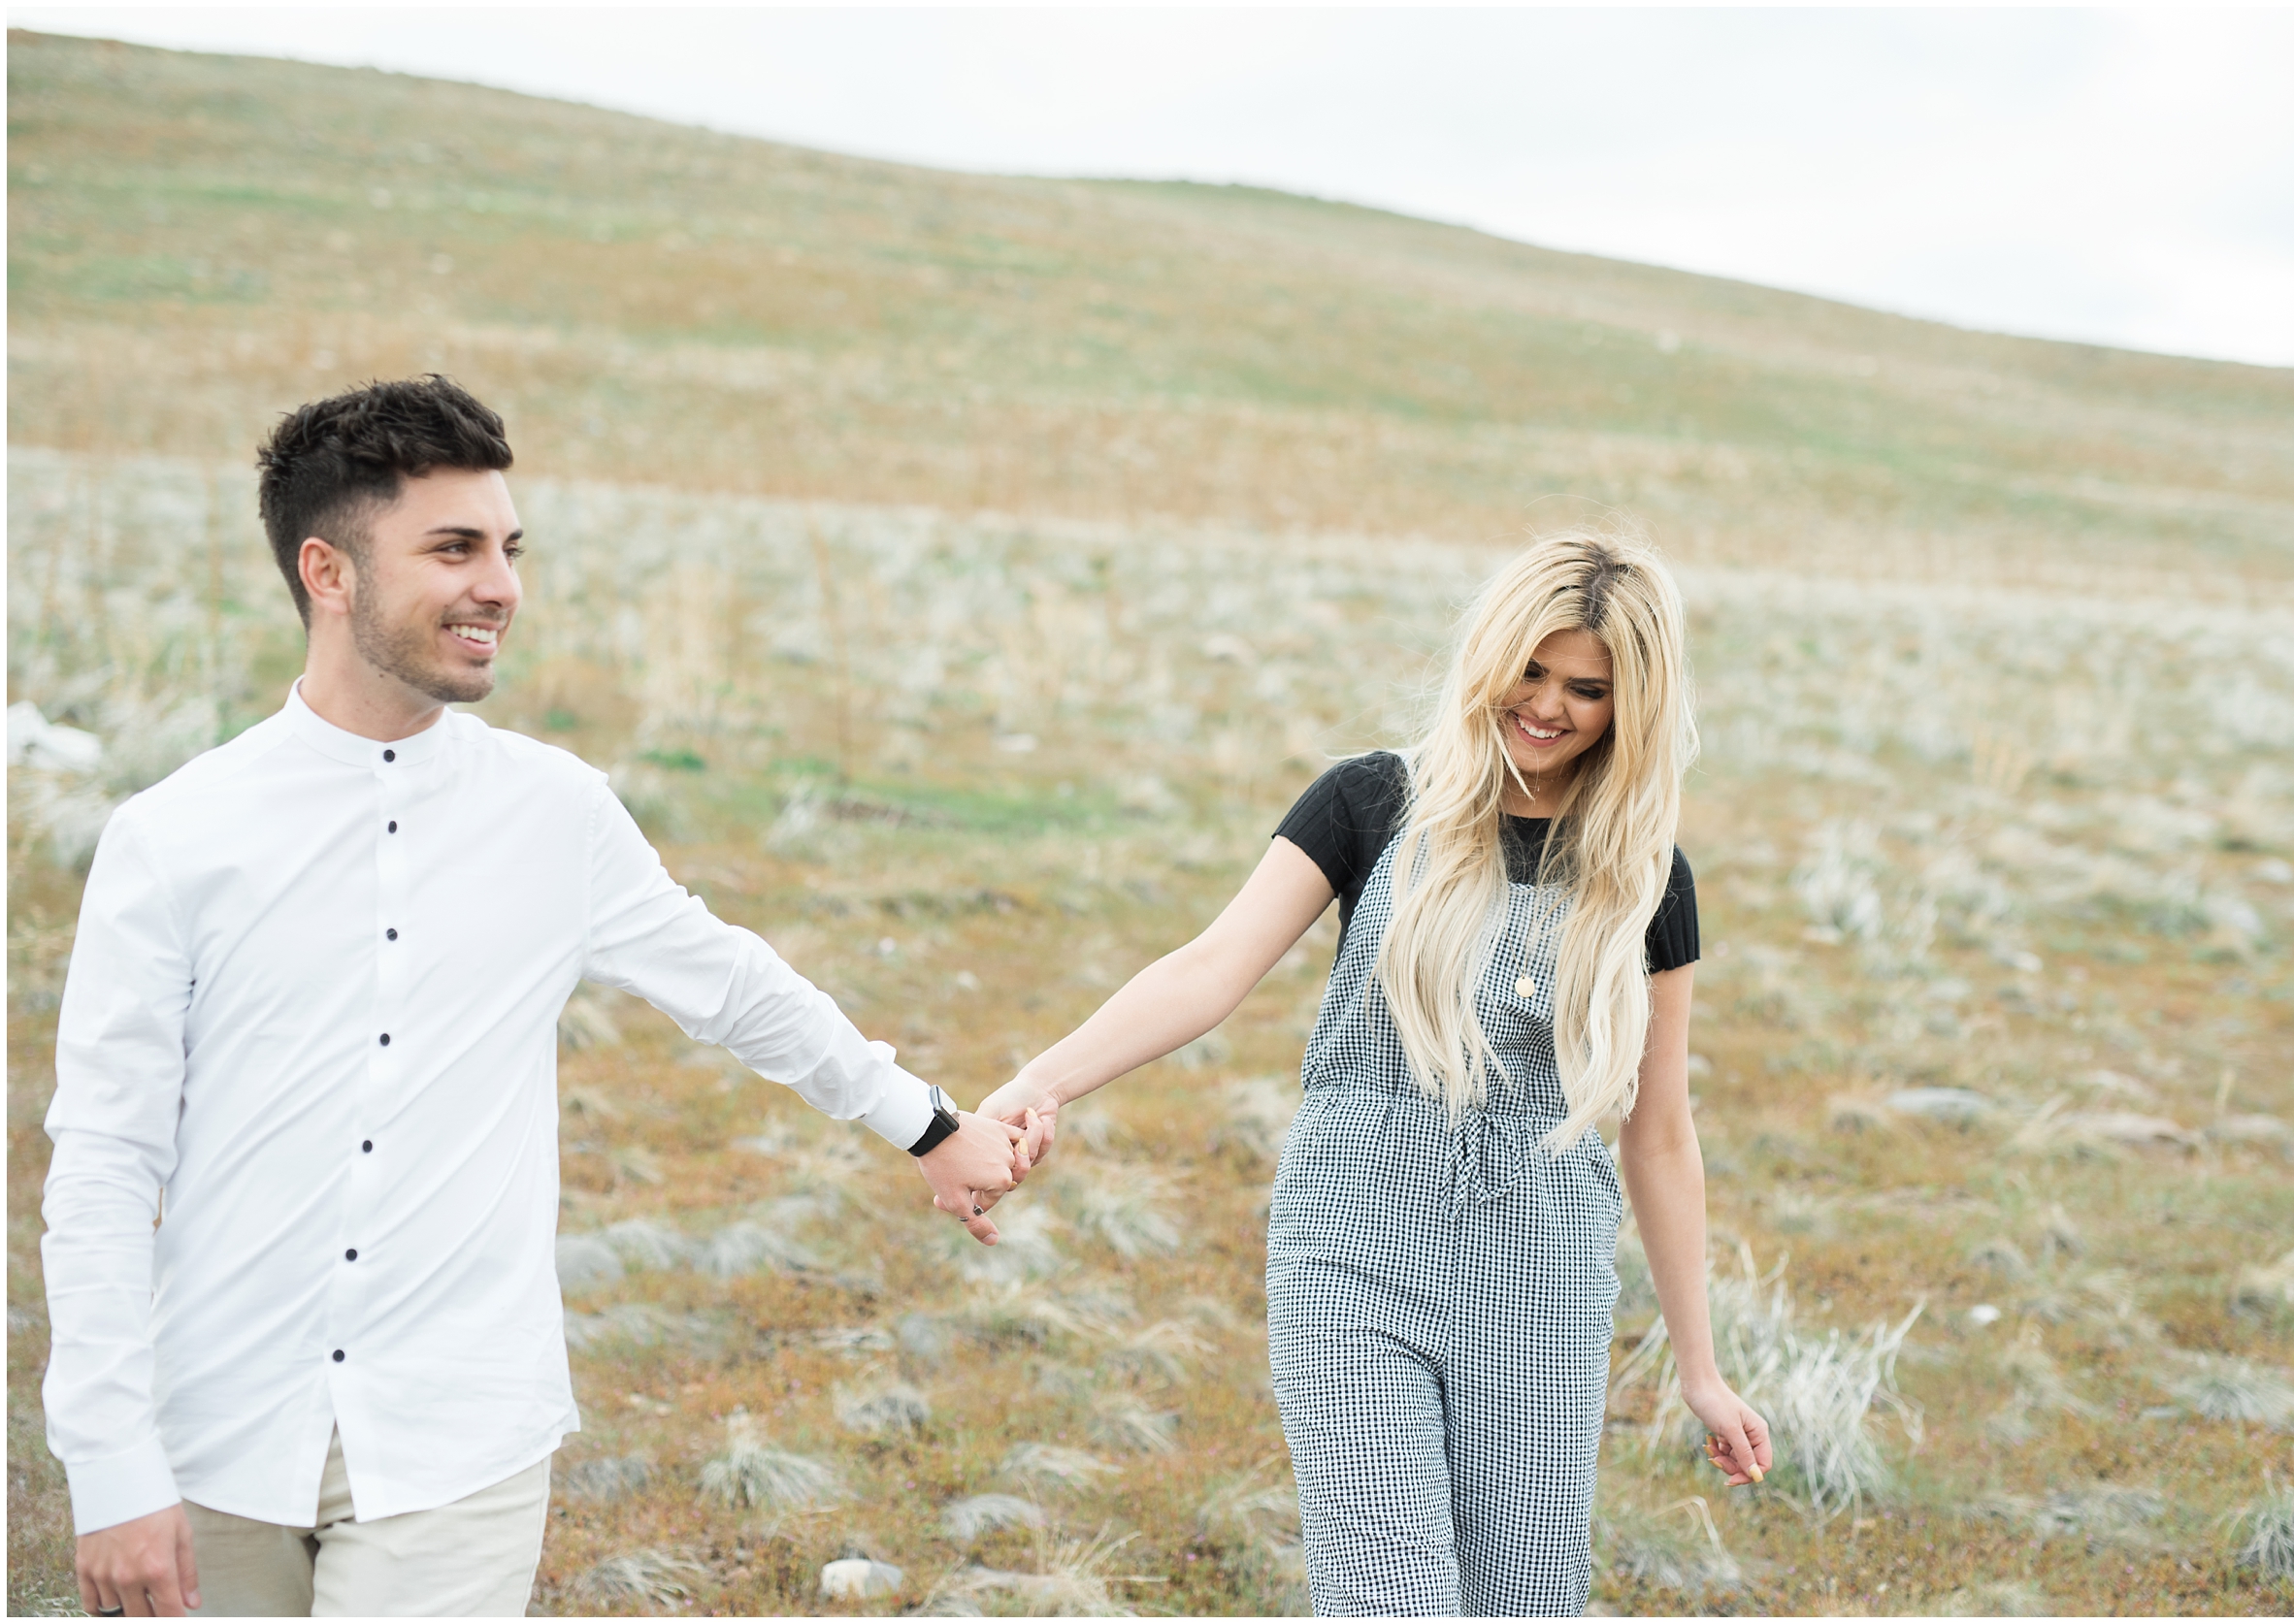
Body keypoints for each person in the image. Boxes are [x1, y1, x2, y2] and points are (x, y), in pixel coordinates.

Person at [41, 376, 1027, 1619]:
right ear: (327, 572)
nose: (499, 585)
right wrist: (113, 1462)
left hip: (458, 1442)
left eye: (508, 548)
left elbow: (731, 987)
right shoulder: (173, 836)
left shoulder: (556, 812)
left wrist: (929, 1128)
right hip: (210, 1438)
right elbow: (106, 1161)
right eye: (452, 548)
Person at [977, 532, 1772, 1615]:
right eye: (1529, 671)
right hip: (1350, 1248)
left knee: (1522, 1604)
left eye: (1585, 689)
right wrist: (1041, 1082)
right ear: (1488, 656)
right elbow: (1212, 967)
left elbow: (1660, 1130)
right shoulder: (1371, 803)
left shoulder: (1645, 877)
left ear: (1630, 706)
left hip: (1541, 1276)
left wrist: (1700, 1368)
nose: (1546, 706)